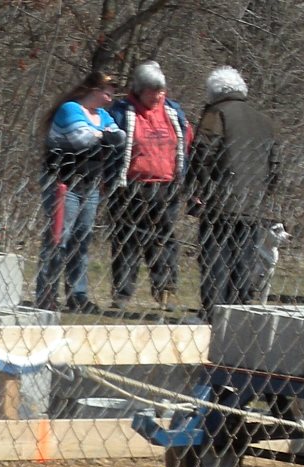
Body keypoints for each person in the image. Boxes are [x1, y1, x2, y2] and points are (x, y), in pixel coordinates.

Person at [188, 65, 280, 322]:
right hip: (253, 202)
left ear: (214, 92)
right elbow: (275, 164)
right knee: (244, 257)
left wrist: (199, 189)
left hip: (220, 201)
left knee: (215, 257)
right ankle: (238, 313)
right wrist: (264, 192)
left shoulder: (216, 114)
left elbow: (203, 153)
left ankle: (212, 312)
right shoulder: (265, 121)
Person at [34, 71, 125, 313]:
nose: (110, 98)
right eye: (107, 92)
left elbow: (121, 138)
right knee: (58, 238)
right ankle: (46, 292)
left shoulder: (103, 116)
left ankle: (78, 294)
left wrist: (101, 135)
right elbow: (79, 140)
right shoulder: (70, 109)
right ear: (93, 90)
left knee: (82, 240)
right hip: (64, 182)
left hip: (90, 183)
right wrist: (104, 135)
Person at [107, 61, 193, 312]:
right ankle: (122, 294)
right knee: (127, 240)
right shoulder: (122, 111)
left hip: (166, 186)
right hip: (130, 187)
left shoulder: (172, 112)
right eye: (151, 91)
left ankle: (165, 292)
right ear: (139, 90)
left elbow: (187, 140)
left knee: (163, 241)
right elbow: (111, 144)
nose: (156, 96)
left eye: (160, 91)